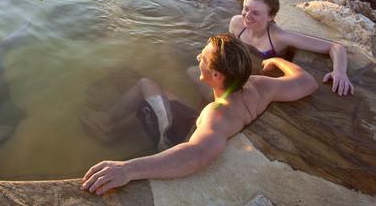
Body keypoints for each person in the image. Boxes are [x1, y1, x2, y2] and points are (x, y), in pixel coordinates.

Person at [82, 34, 318, 196]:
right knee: (161, 93)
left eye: (203, 58)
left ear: (216, 76)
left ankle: (107, 127)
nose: (198, 58)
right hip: (206, 122)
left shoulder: (217, 114)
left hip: (178, 139)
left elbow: (197, 155)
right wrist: (277, 60)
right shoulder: (258, 85)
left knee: (145, 85)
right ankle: (115, 123)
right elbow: (307, 82)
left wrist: (127, 170)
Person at [229, 0, 353, 96]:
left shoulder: (279, 37)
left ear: (270, 17)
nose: (247, 15)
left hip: (267, 77)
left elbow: (335, 46)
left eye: (255, 13)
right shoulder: (236, 23)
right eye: (246, 8)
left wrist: (339, 71)